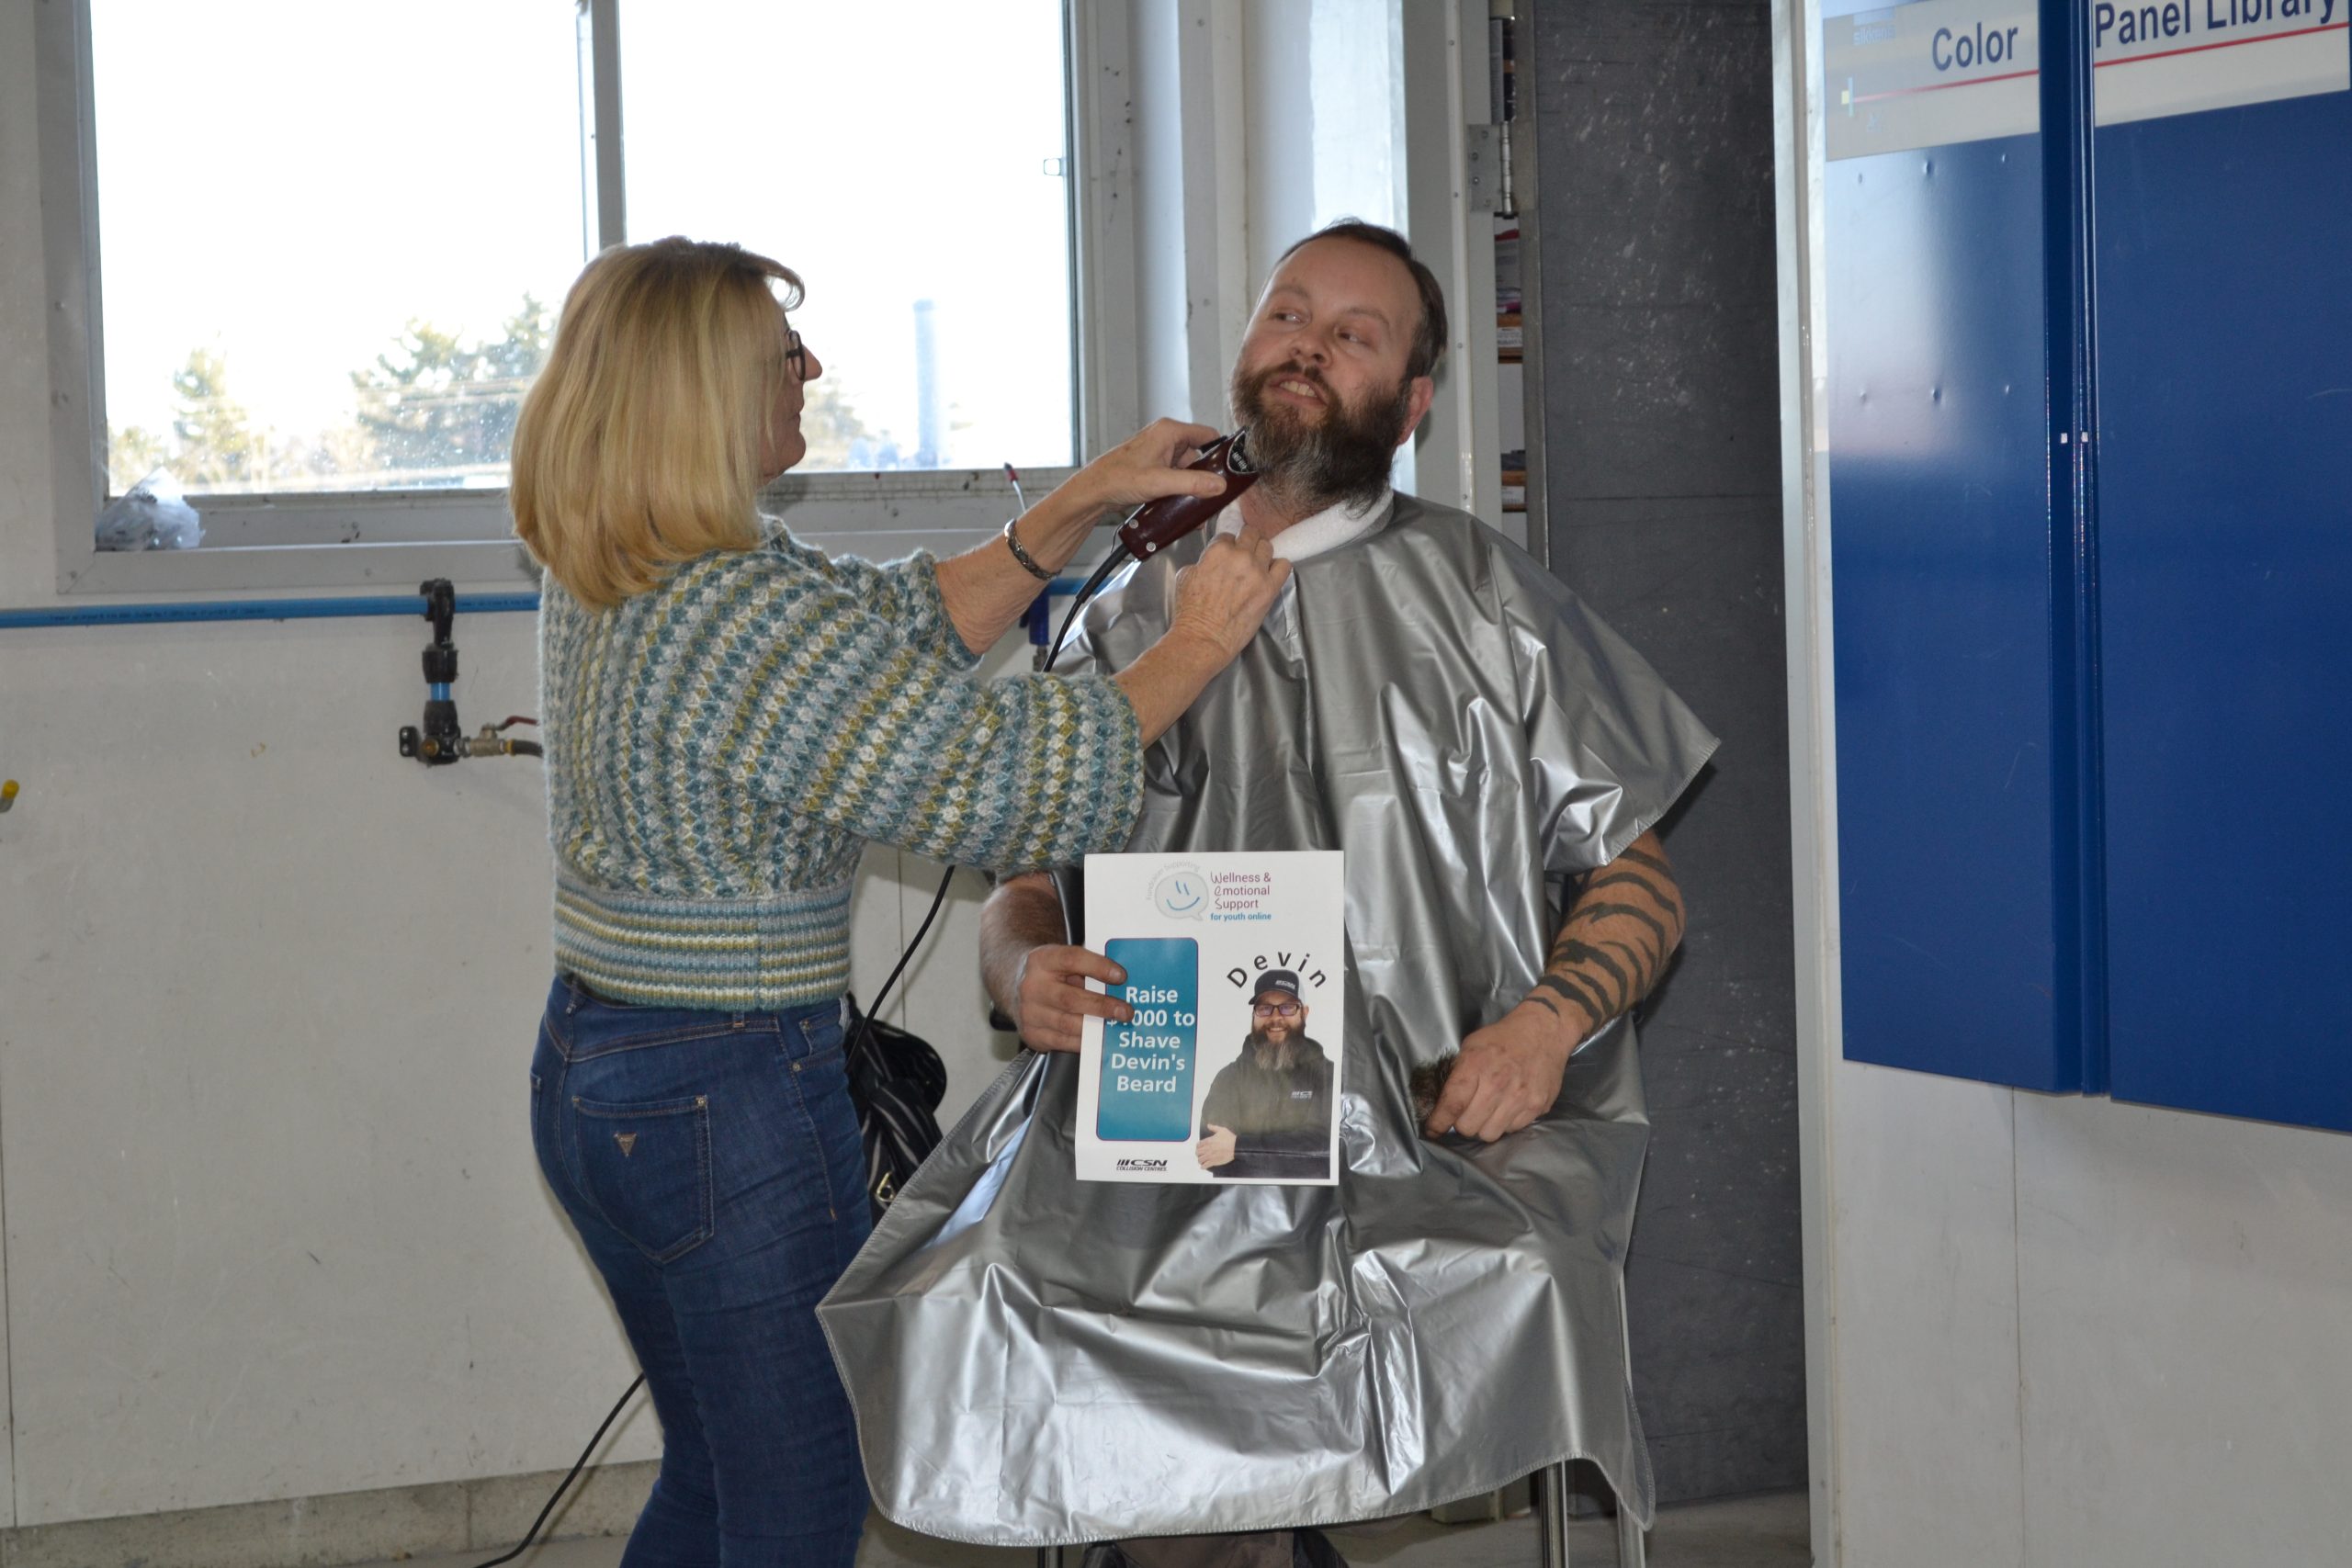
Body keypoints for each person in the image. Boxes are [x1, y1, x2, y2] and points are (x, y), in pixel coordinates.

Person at [819, 222, 1717, 1564]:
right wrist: (1021, 970)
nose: (1307, 341)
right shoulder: (1131, 595)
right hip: (1161, 1130)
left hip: (1433, 1131)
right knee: (986, 1286)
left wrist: (1539, 1033)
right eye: (1286, 312)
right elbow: (1024, 880)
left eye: (1355, 333)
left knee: (1445, 1299)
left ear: (1411, 406)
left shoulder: (1490, 603)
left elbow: (1642, 884)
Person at [509, 236, 1290, 1568]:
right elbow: (998, 787)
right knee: (801, 1499)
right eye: (779, 355)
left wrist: (1083, 500)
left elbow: (888, 627)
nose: (810, 368)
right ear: (701, 395)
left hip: (605, 1068)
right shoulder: (731, 612)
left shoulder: (641, 562)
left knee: (712, 1476)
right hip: (727, 1092)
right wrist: (1200, 639)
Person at [1193, 971, 1335, 1180]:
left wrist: (1239, 1148)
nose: (1275, 1017)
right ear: (1254, 1014)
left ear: (1304, 1013)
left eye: (1287, 1007)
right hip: (1238, 1206)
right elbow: (1211, 1153)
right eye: (1265, 1008)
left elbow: (1325, 1148)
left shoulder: (1326, 1075)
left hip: (1313, 1206)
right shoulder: (1229, 1077)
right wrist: (1289, 1153)